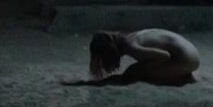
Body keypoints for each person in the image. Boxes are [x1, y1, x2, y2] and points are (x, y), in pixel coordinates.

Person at [64, 29, 200, 86]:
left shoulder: (131, 47)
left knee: (133, 72)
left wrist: (137, 70)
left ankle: (180, 76)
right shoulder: (130, 38)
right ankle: (180, 75)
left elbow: (164, 56)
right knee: (136, 70)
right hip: (189, 52)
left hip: (186, 60)